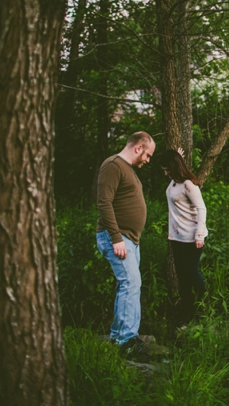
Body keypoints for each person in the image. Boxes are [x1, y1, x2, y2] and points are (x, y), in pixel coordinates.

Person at [96, 131, 155, 360]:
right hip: (117, 237)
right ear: (138, 147)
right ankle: (125, 342)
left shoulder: (127, 169)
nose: (147, 160)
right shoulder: (113, 165)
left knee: (130, 285)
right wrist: (116, 237)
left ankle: (124, 336)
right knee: (130, 283)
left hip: (129, 239)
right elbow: (103, 202)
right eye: (148, 155)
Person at [159, 149, 208, 327]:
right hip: (176, 238)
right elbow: (175, 160)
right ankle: (186, 313)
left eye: (167, 169)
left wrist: (200, 234)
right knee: (182, 277)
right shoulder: (174, 182)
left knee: (191, 273)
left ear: (173, 168)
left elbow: (201, 208)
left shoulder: (188, 184)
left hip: (192, 238)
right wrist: (177, 152)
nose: (165, 173)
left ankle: (203, 304)